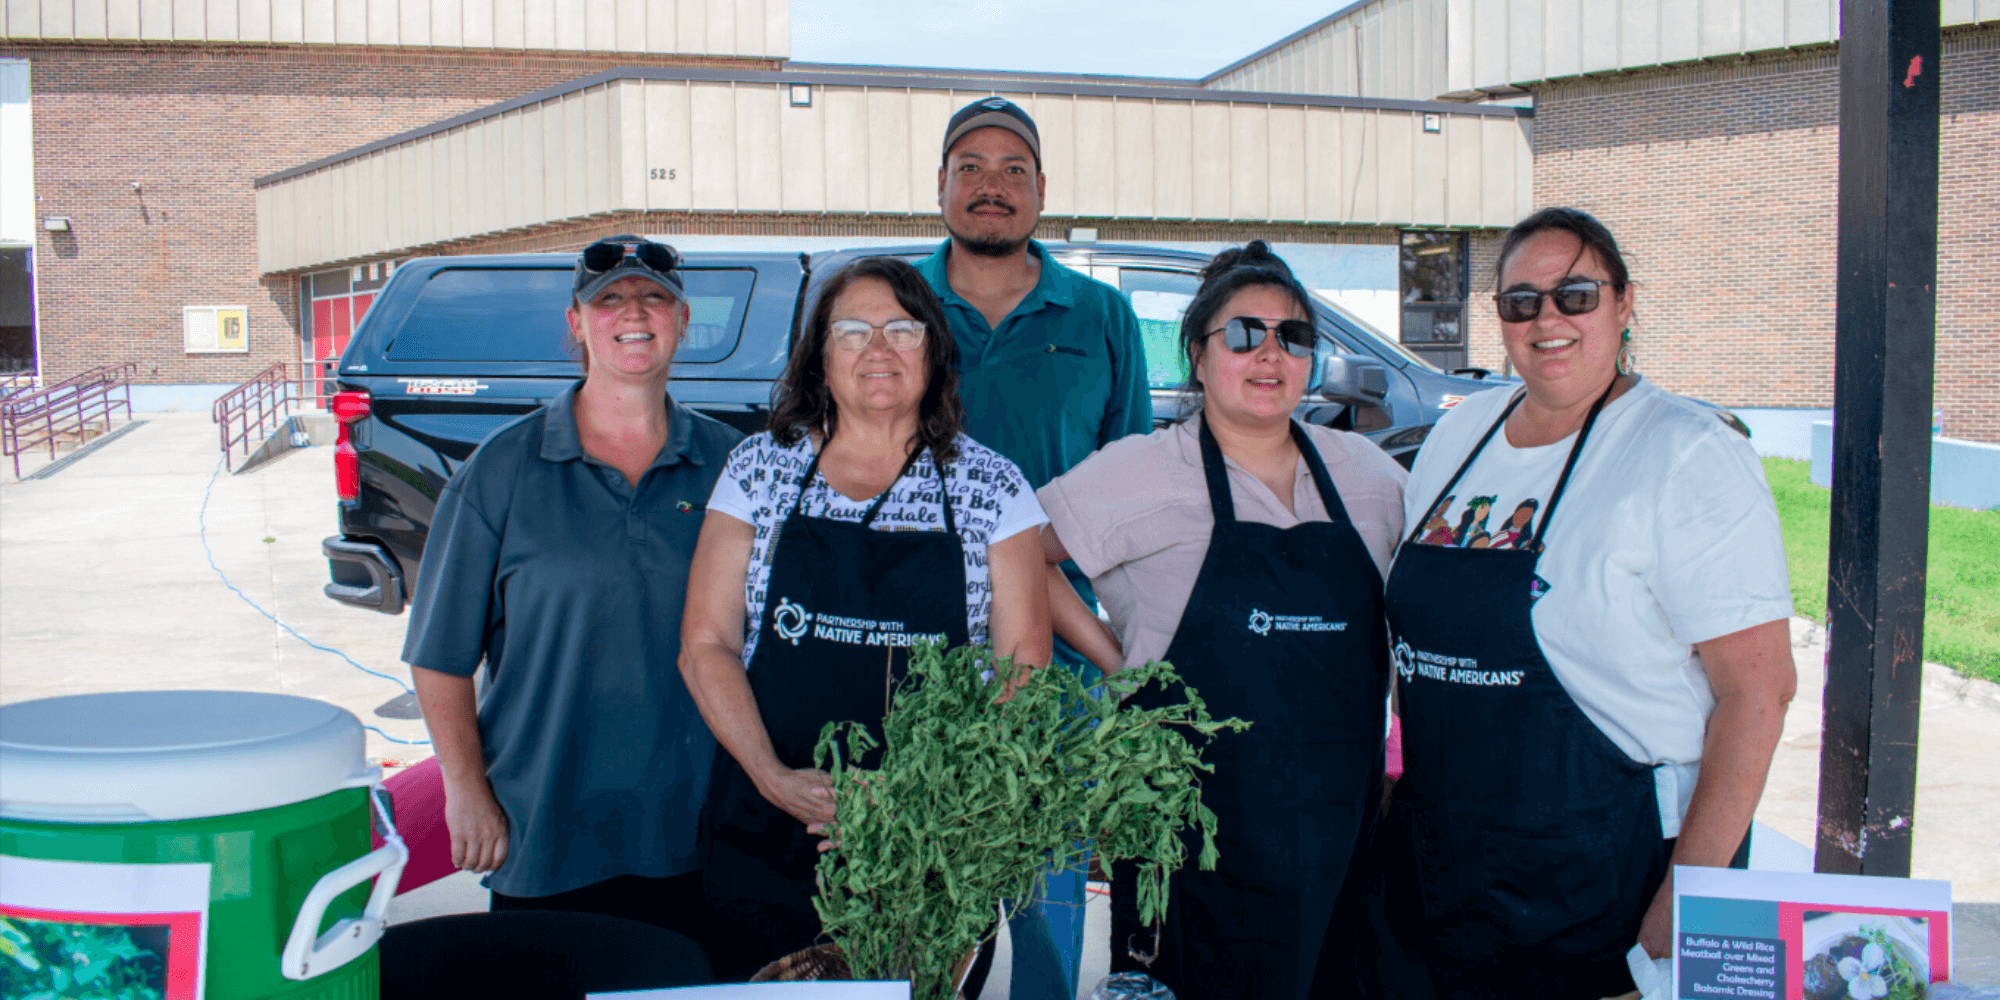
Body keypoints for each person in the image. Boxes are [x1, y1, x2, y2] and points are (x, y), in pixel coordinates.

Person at [1357, 207, 1796, 999]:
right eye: (1521, 301)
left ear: (1624, 304)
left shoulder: (1685, 450)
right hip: (1444, 858)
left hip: (1604, 872)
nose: (1547, 319)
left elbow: (1758, 694)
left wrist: (1683, 910)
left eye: (1576, 295)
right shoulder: (1462, 436)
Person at [1037, 241, 1409, 1000]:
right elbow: (1016, 551)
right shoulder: (1142, 469)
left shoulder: (1369, 475)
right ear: (1198, 359)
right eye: (1243, 334)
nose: (1269, 353)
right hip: (1186, 842)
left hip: (1336, 836)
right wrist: (1116, 662)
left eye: (1292, 336)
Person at [679, 256, 1053, 982]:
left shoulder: (990, 485)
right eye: (852, 331)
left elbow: (1023, 672)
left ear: (933, 351)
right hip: (767, 832)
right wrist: (772, 776)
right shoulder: (760, 469)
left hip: (931, 844)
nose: (878, 349)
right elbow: (705, 644)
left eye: (902, 330)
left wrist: (920, 790)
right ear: (820, 357)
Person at [403, 236, 744, 940]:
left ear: (682, 320)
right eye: (609, 299)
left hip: (699, 831)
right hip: (545, 830)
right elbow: (440, 656)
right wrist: (466, 791)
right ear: (576, 323)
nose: (634, 313)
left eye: (655, 298)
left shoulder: (733, 466)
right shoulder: (502, 470)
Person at [915, 94, 1153, 1000]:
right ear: (940, 185)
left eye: (1013, 169)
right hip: (915, 641)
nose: (992, 186)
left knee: (1048, 902)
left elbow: (1128, 489)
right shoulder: (896, 305)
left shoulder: (1101, 317)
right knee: (921, 899)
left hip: (1060, 654)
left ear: (1042, 190)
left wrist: (1125, 649)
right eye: (971, 167)